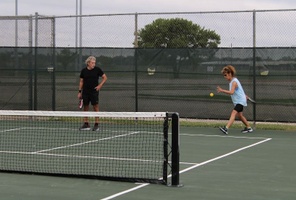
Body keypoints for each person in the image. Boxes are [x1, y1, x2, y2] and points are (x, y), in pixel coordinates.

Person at [216, 65, 253, 135]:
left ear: (230, 74)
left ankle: (226, 128)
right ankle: (249, 128)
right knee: (240, 116)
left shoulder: (234, 82)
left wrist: (222, 90)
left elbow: (231, 92)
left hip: (240, 101)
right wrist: (244, 95)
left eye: (225, 75)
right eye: (224, 75)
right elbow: (240, 90)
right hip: (239, 101)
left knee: (233, 113)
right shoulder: (233, 81)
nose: (225, 77)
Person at [77, 56, 107, 131]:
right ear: (88, 63)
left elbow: (105, 77)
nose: (94, 64)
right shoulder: (83, 71)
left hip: (94, 92)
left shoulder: (97, 70)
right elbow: (81, 81)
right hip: (85, 92)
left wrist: (100, 85)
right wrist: (79, 91)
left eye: (94, 63)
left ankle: (96, 124)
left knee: (95, 107)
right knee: (85, 107)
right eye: (92, 63)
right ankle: (86, 124)